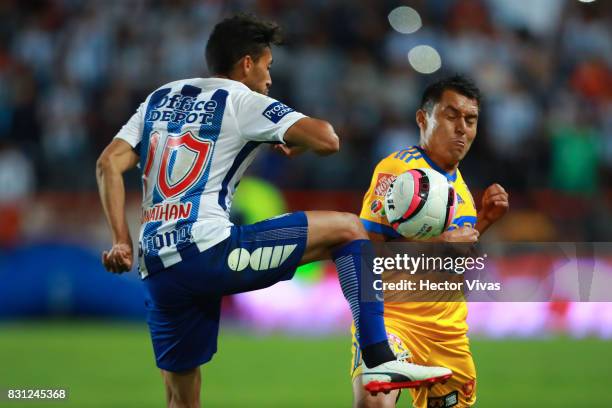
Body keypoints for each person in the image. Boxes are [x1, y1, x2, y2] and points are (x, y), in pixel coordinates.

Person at [96, 14, 451, 408]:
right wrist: (298, 139)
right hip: (210, 251)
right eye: (267, 67)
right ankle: (379, 358)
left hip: (158, 265)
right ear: (247, 64)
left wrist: (121, 242)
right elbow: (327, 138)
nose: (269, 80)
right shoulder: (243, 99)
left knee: (181, 401)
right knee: (350, 230)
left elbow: (108, 164)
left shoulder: (161, 98)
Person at [351, 75, 509, 408]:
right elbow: (369, 253)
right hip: (392, 319)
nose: (462, 128)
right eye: (451, 115)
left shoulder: (462, 189)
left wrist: (484, 222)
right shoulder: (397, 172)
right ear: (424, 118)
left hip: (447, 332)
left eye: (470, 119)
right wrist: (439, 244)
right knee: (373, 403)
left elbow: (451, 264)